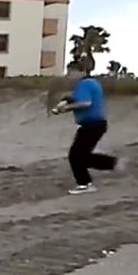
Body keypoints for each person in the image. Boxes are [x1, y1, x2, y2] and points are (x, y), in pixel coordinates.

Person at [51, 61, 118, 194]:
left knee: (76, 156)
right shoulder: (92, 83)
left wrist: (65, 109)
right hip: (95, 124)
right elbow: (74, 98)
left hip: (92, 125)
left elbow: (86, 103)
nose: (68, 75)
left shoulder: (84, 84)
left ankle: (86, 183)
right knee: (81, 156)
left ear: (81, 72)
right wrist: (65, 102)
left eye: (71, 72)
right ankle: (111, 164)